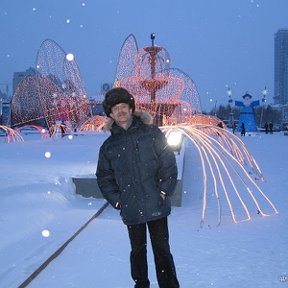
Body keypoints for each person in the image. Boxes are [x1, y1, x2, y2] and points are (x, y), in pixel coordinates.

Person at [96, 87, 179, 288]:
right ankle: (141, 284)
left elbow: (168, 164)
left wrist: (163, 191)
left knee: (162, 251)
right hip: (131, 208)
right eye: (116, 108)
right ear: (110, 114)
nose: (120, 111)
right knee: (137, 251)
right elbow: (104, 177)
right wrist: (118, 200)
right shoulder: (109, 146)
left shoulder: (151, 133)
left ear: (131, 108)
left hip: (156, 204)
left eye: (124, 106)